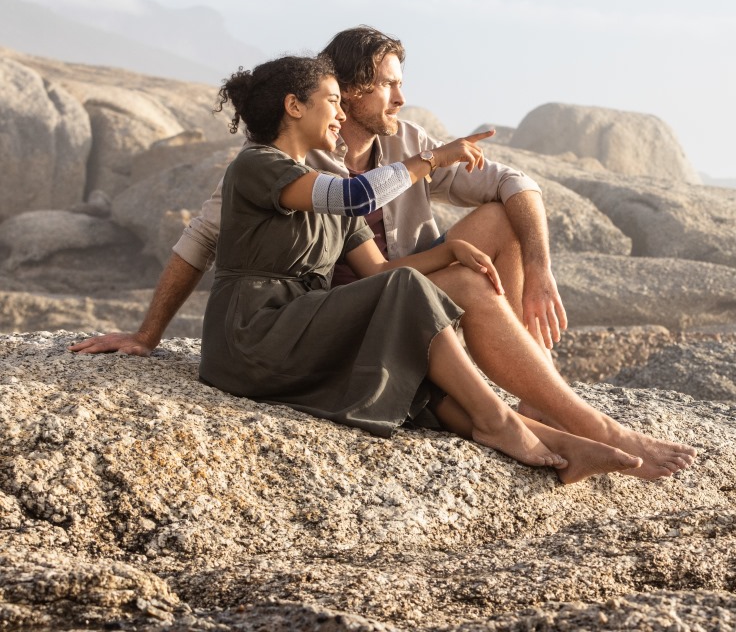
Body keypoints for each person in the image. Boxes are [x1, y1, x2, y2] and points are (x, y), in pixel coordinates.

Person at [72, 27, 697, 480]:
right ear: (315, 100)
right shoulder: (262, 167)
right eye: (359, 95)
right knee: (423, 300)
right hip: (258, 329)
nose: (396, 101)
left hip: (321, 320)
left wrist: (458, 248)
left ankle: (551, 435)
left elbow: (384, 268)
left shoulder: (384, 154)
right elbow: (319, 205)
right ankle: (522, 423)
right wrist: (147, 334)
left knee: (424, 360)